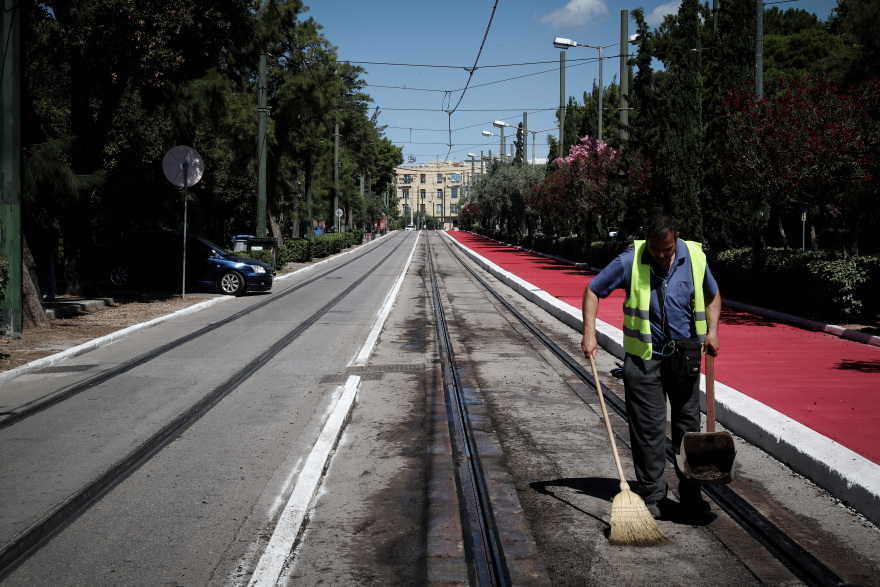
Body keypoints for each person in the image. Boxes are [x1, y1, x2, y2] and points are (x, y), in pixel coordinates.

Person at [581, 212, 721, 519]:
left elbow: (712, 295)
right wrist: (589, 334)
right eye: (656, 249)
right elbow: (593, 289)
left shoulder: (695, 256)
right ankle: (653, 494)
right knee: (648, 432)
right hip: (644, 361)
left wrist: (712, 331)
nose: (661, 255)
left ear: (676, 238)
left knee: (688, 430)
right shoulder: (630, 260)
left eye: (667, 249)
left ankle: (691, 495)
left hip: (685, 358)